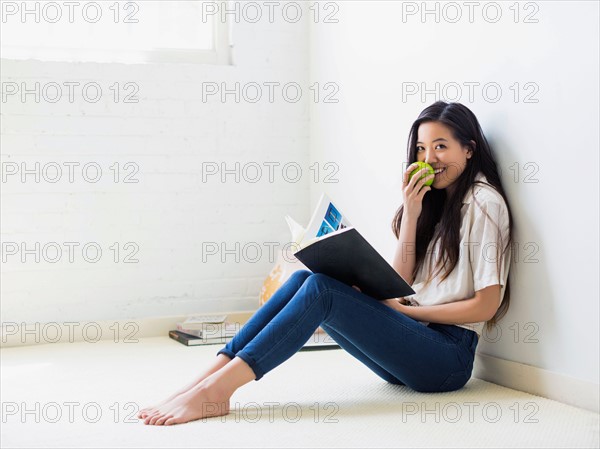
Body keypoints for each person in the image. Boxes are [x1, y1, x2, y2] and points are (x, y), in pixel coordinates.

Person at [138, 101, 514, 426]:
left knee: (321, 291)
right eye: (420, 148)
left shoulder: (484, 203)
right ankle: (205, 380)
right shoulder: (435, 201)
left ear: (469, 149)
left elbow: (487, 304)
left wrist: (406, 314)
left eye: (441, 147)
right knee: (307, 277)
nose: (428, 159)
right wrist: (412, 214)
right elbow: (401, 280)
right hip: (413, 344)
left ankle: (216, 392)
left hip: (446, 358)